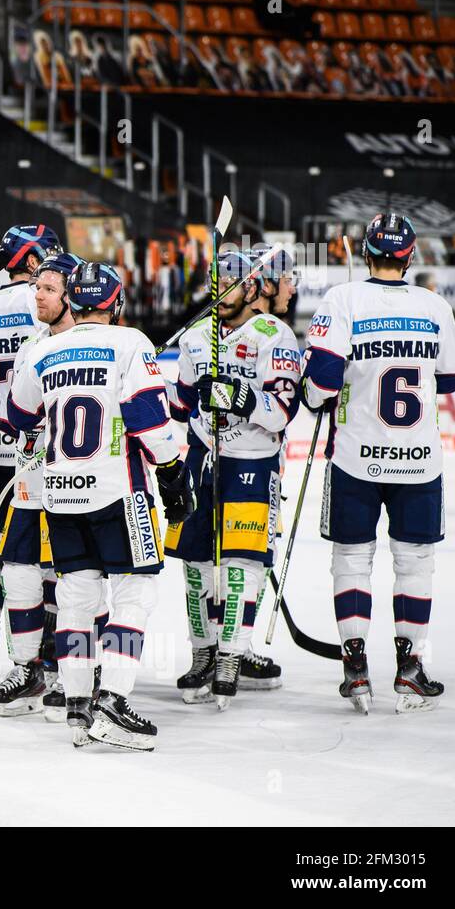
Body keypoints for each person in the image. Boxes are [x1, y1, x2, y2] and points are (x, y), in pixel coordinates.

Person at [8, 262, 194, 751]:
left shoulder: (44, 349)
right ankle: (112, 699)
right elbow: (149, 419)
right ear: (115, 303)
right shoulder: (131, 342)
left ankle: (76, 706)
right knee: (134, 593)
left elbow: (17, 415)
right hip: (119, 490)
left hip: (60, 493)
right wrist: (173, 471)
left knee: (76, 596)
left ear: (76, 300)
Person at [302, 213, 455, 714]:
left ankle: (355, 670)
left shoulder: (342, 300)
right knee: (415, 564)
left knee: (352, 560)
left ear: (365, 251)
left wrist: (317, 396)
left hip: (355, 458)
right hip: (419, 461)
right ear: (411, 255)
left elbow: (322, 384)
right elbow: (453, 375)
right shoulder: (434, 305)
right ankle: (410, 669)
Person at [165, 250, 300, 708]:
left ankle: (231, 655)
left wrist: (241, 397)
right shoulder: (197, 337)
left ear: (252, 287)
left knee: (243, 562)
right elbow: (182, 405)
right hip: (201, 459)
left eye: (232, 283)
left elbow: (281, 412)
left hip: (253, 461)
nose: (222, 291)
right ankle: (203, 653)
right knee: (194, 562)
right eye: (215, 282)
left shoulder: (273, 335)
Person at [0, 251, 83, 718]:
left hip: (78, 483)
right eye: (36, 286)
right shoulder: (33, 345)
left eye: (46, 289)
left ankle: (74, 673)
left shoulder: (99, 342)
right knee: (19, 570)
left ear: (72, 296)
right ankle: (28, 669)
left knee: (75, 578)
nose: (36, 295)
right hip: (30, 477)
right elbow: (18, 415)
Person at [0, 225, 60, 683]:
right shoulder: (43, 300)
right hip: (31, 449)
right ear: (36, 259)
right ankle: (49, 652)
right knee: (43, 559)